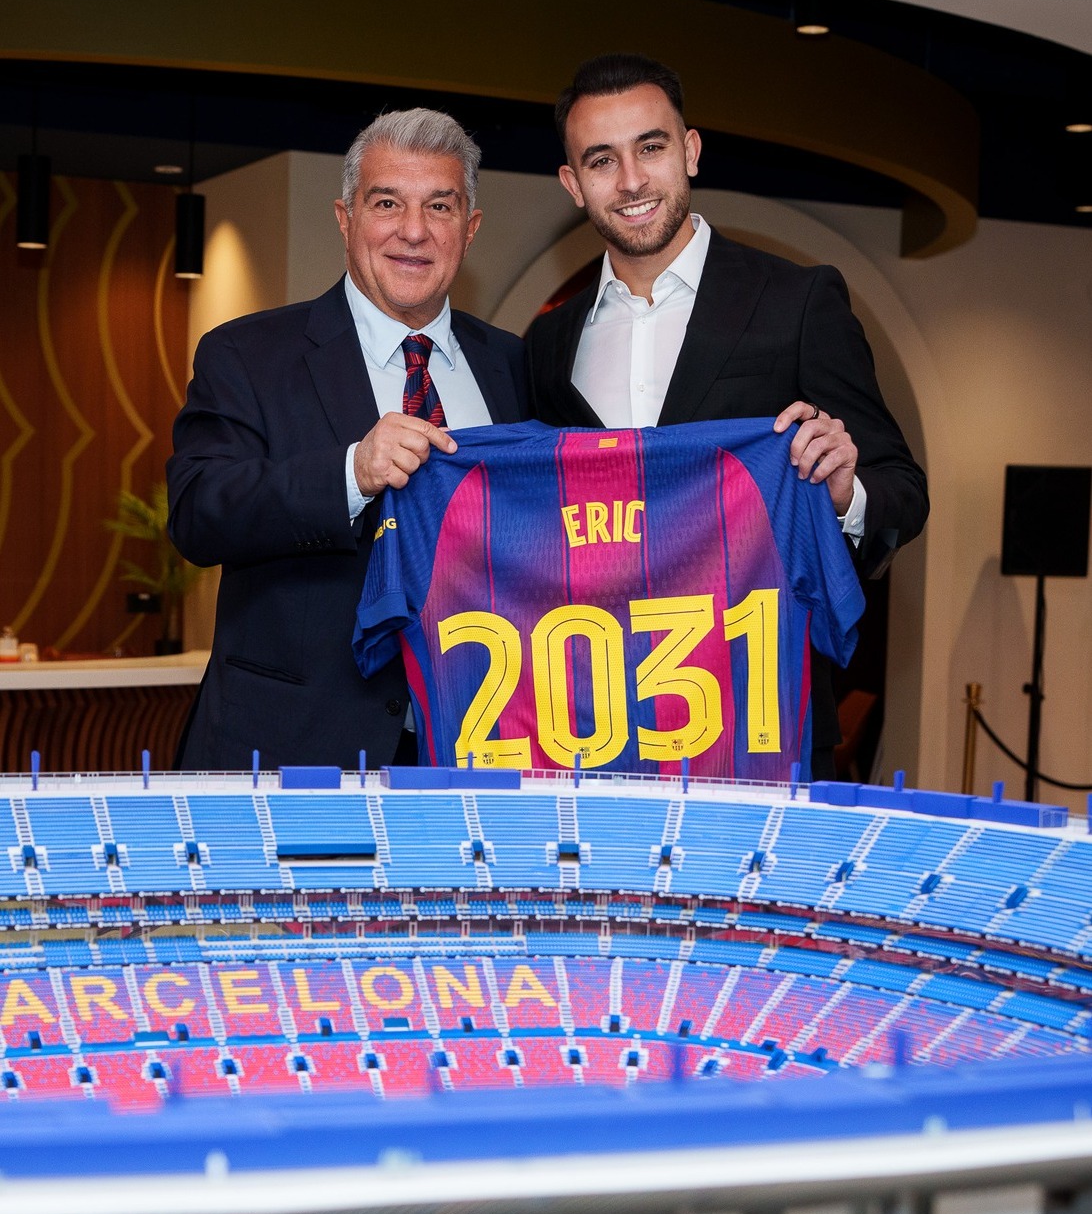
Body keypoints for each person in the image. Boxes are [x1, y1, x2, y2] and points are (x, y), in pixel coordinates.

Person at [526, 53, 928, 778]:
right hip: (592, 729)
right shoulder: (548, 345)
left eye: (651, 147)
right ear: (573, 185)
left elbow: (903, 486)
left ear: (690, 150)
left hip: (765, 721)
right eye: (602, 160)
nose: (632, 180)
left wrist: (846, 492)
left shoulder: (797, 302)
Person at [168, 108, 526, 771]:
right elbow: (198, 512)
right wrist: (351, 473)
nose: (413, 231)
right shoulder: (247, 353)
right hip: (290, 759)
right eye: (386, 201)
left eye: (440, 207)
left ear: (469, 229)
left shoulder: (513, 365)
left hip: (476, 760)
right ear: (346, 218)